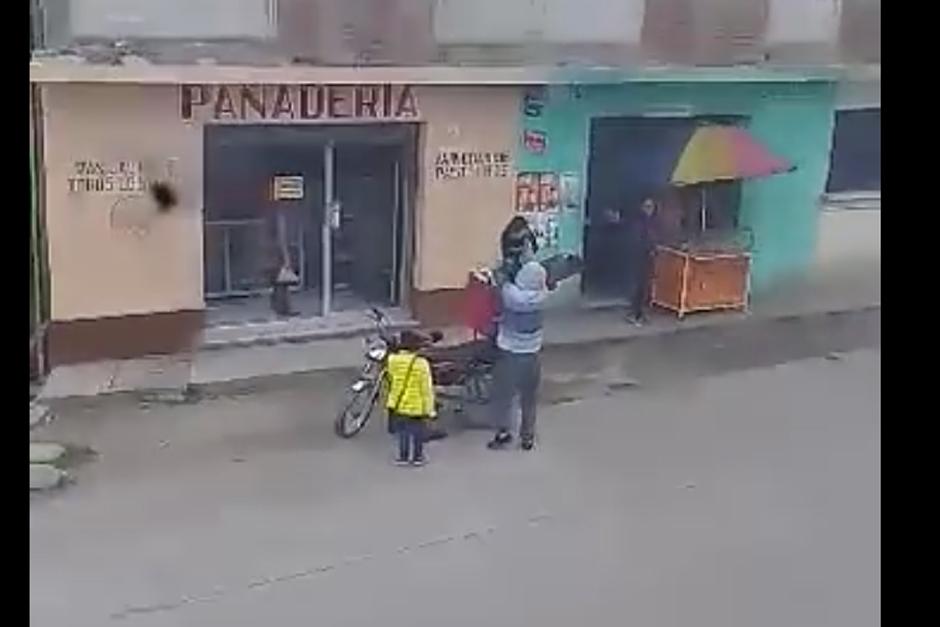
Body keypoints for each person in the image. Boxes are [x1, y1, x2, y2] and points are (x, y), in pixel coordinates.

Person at [487, 259, 548, 451]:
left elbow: (499, 280)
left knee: (504, 396)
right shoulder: (543, 296)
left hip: (510, 353)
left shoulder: (511, 296)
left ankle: (503, 433)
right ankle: (527, 437)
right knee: (529, 399)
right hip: (533, 354)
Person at [385, 331, 437, 466]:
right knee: (417, 434)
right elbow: (426, 389)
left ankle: (403, 457)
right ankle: (417, 458)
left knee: (403, 434)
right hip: (417, 406)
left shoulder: (392, 360)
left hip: (399, 404)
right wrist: (430, 410)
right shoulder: (422, 364)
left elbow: (391, 380)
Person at [628, 197, 659, 325]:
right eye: (647, 207)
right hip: (639, 257)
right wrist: (649, 249)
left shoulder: (651, 222)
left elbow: (652, 238)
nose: (650, 210)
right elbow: (640, 240)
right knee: (639, 287)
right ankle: (634, 314)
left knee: (645, 286)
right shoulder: (639, 222)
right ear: (642, 207)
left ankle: (639, 313)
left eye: (651, 207)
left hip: (647, 258)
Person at [499, 215, 538, 284]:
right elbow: (535, 247)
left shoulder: (508, 232)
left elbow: (505, 249)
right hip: (519, 263)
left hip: (513, 263)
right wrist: (522, 250)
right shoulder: (525, 232)